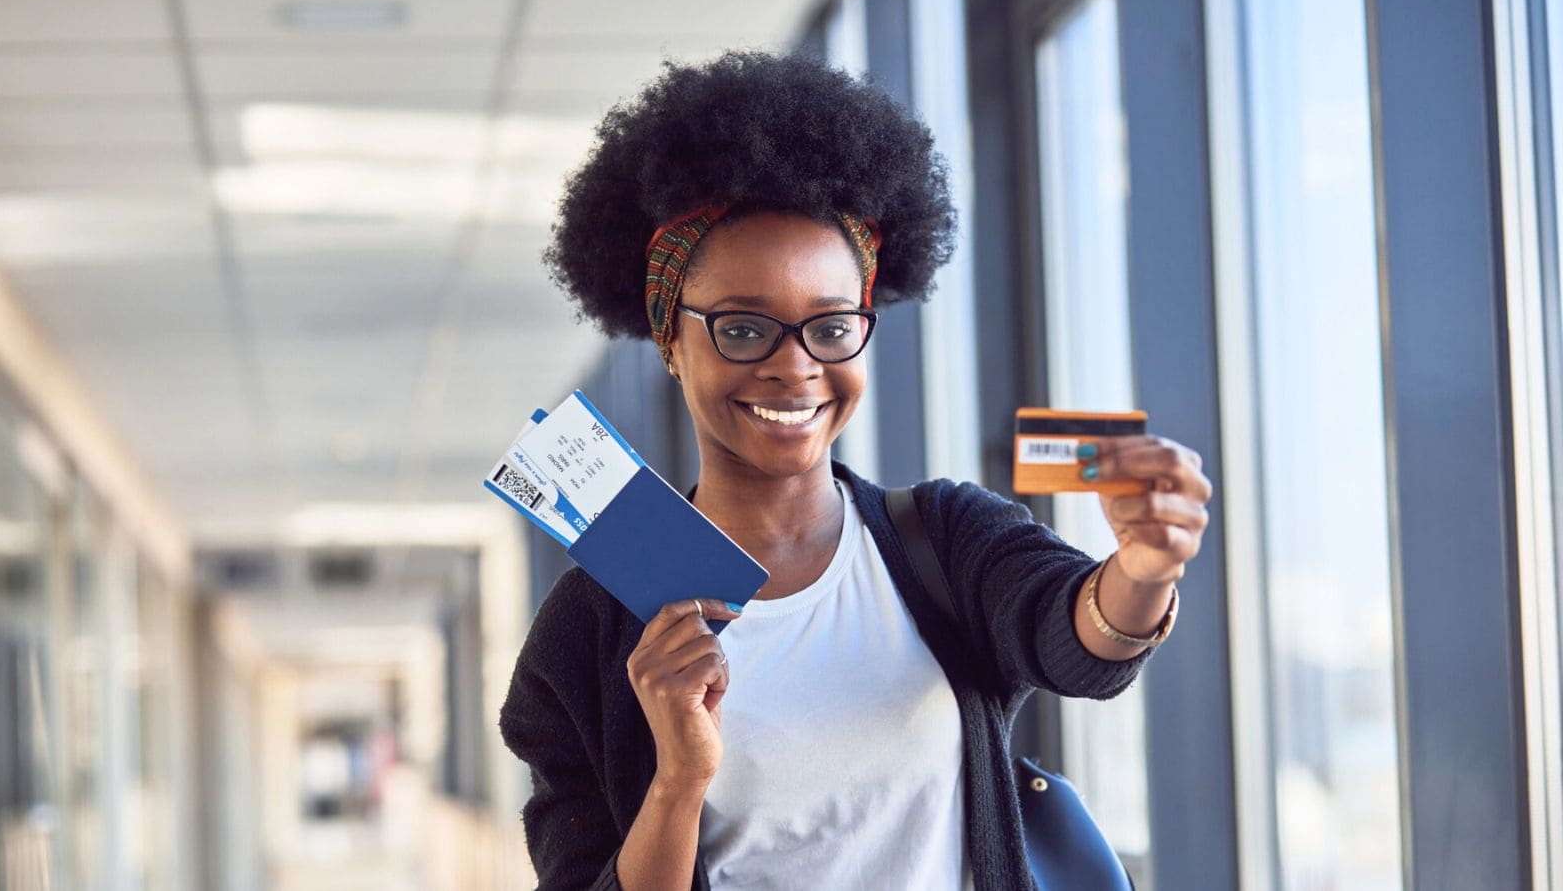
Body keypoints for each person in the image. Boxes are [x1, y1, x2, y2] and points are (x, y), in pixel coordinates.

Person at [498, 51, 1212, 891]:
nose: (794, 368)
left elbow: (1077, 639)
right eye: (741, 329)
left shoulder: (942, 541)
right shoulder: (587, 636)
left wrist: (1142, 570)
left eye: (831, 328)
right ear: (671, 343)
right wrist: (678, 784)